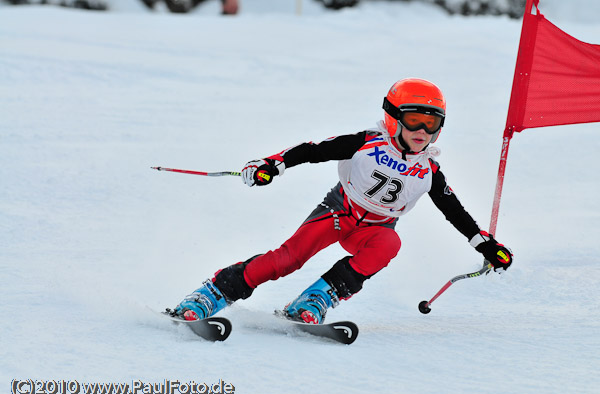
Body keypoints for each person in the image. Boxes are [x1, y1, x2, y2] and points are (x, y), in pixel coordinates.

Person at [167, 78, 514, 324]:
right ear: (394, 117)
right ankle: (212, 293)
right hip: (338, 212)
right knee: (287, 260)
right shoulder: (366, 142)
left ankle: (317, 298)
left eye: (431, 122)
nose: (422, 130)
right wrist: (271, 164)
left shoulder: (429, 170)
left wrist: (485, 246)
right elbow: (313, 151)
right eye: (413, 120)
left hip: (375, 229)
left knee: (389, 242)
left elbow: (454, 212)